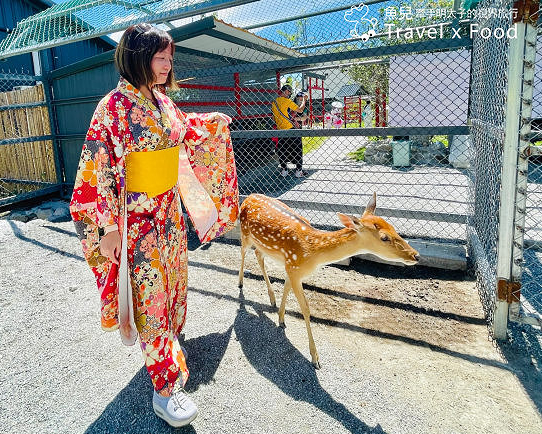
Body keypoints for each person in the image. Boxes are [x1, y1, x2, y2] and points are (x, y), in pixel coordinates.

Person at [69, 23, 238, 428]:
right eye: (160, 57)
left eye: (169, 58)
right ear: (136, 57)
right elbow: (98, 168)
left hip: (167, 213)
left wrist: (213, 122)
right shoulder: (112, 108)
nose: (167, 64)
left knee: (175, 284)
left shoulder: (163, 102)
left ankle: (165, 346)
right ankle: (165, 389)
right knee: (150, 298)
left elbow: (186, 131)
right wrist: (108, 226)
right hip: (135, 221)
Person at [271, 84, 308, 178]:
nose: (290, 94)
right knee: (298, 148)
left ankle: (284, 170)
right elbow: (300, 110)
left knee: (282, 150)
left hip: (280, 130)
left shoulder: (274, 102)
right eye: (289, 92)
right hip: (290, 129)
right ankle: (299, 170)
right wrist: (304, 100)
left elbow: (273, 117)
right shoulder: (287, 101)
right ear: (286, 91)